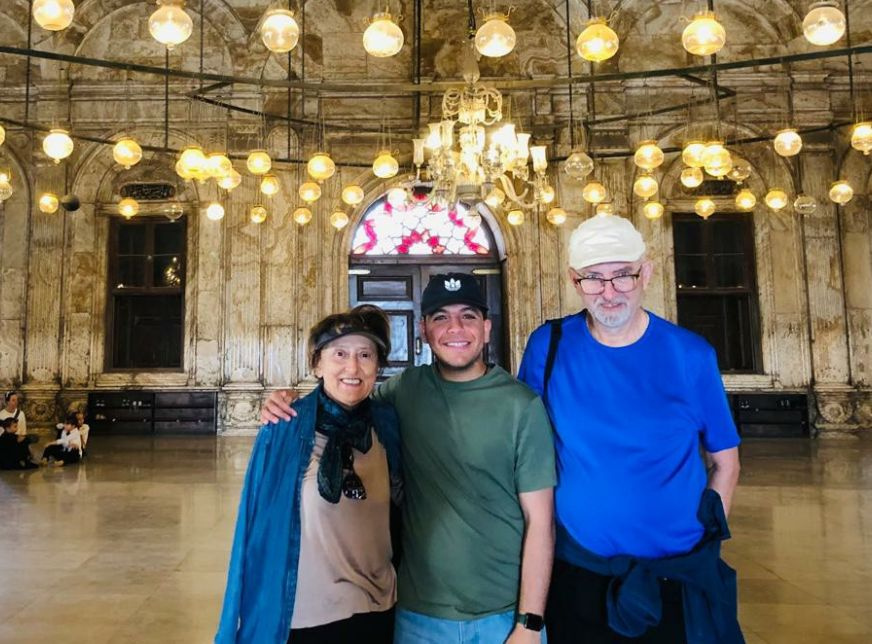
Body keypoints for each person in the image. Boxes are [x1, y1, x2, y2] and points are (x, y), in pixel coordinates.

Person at [262, 273, 556, 644]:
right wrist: (288, 403)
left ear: (486, 328)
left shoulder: (522, 406)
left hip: (500, 615)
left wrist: (529, 623)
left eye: (467, 316)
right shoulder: (405, 391)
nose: (455, 328)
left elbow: (540, 521)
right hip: (417, 615)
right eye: (441, 317)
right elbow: (347, 397)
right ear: (424, 330)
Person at [517, 215, 743, 644]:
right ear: (574, 280)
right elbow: (527, 450)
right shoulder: (549, 346)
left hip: (675, 576)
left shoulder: (690, 355)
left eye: (623, 275)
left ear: (647, 273)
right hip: (580, 571)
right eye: (593, 278)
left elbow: (726, 462)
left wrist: (705, 543)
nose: (609, 292)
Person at [216, 305, 402, 644]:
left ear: (378, 367)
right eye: (339, 354)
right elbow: (257, 529)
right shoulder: (285, 427)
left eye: (365, 355)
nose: (353, 367)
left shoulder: (388, 424)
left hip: (378, 608)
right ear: (317, 364)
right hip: (306, 616)